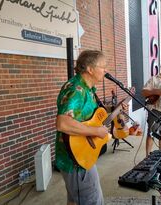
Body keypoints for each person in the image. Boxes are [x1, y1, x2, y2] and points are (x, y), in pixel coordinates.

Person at [55, 50, 109, 205]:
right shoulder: (76, 89)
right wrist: (96, 131)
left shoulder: (88, 89)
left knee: (74, 199)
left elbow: (88, 119)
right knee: (92, 200)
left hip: (81, 154)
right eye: (103, 66)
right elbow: (62, 123)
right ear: (90, 69)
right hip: (76, 161)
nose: (106, 70)